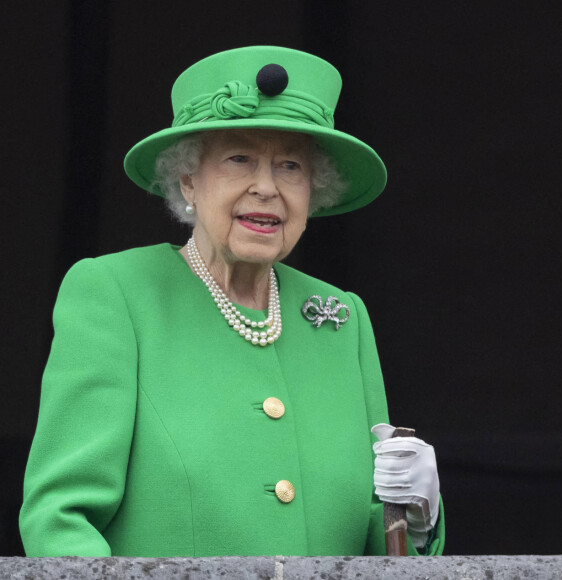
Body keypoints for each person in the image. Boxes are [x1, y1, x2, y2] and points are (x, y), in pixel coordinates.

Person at [20, 46, 444, 557]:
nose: (265, 187)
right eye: (239, 159)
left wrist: (416, 518)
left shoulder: (340, 317)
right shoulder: (115, 293)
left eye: (290, 166)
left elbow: (382, 549)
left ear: (313, 191)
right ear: (189, 180)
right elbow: (60, 520)